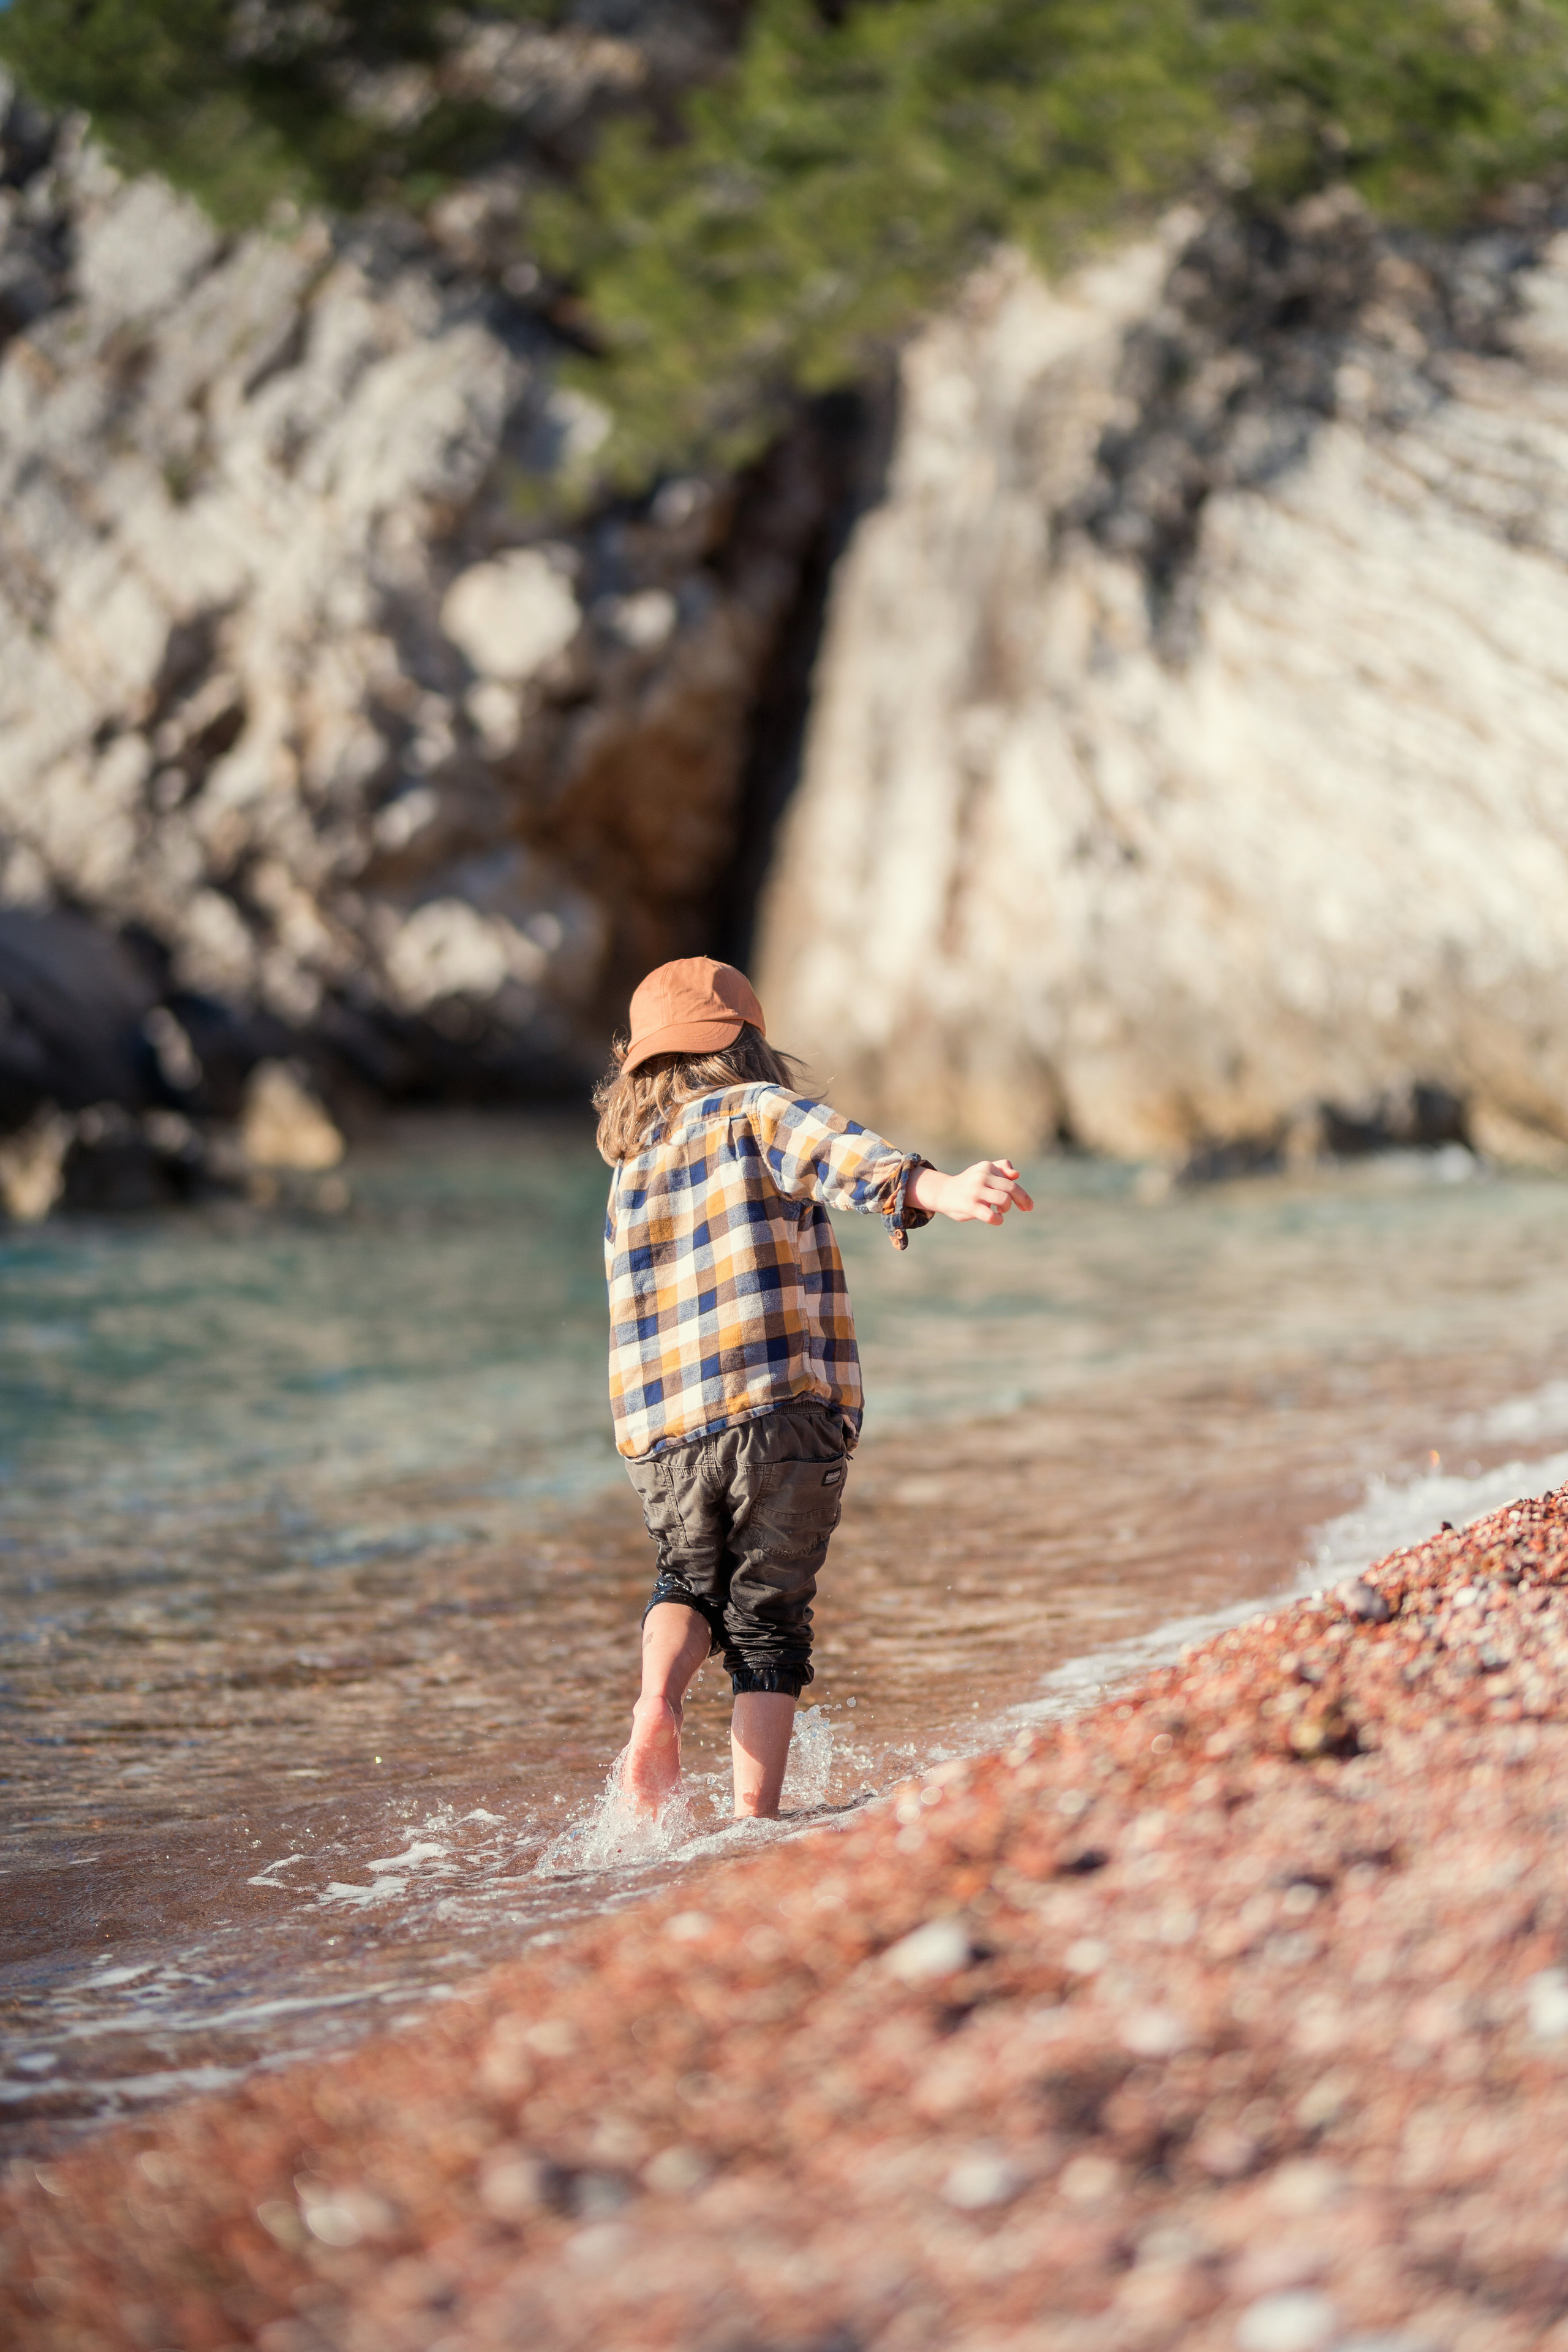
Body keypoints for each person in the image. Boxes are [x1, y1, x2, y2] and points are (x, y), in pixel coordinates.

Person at [594, 956, 1033, 1822]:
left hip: (665, 1432)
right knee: (767, 1621)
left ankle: (658, 1704)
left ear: (641, 1066)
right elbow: (846, 1156)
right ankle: (752, 1824)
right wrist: (939, 1190)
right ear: (748, 1044)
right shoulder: (758, 1110)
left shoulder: (630, 1168)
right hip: (782, 1411)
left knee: (684, 1579)